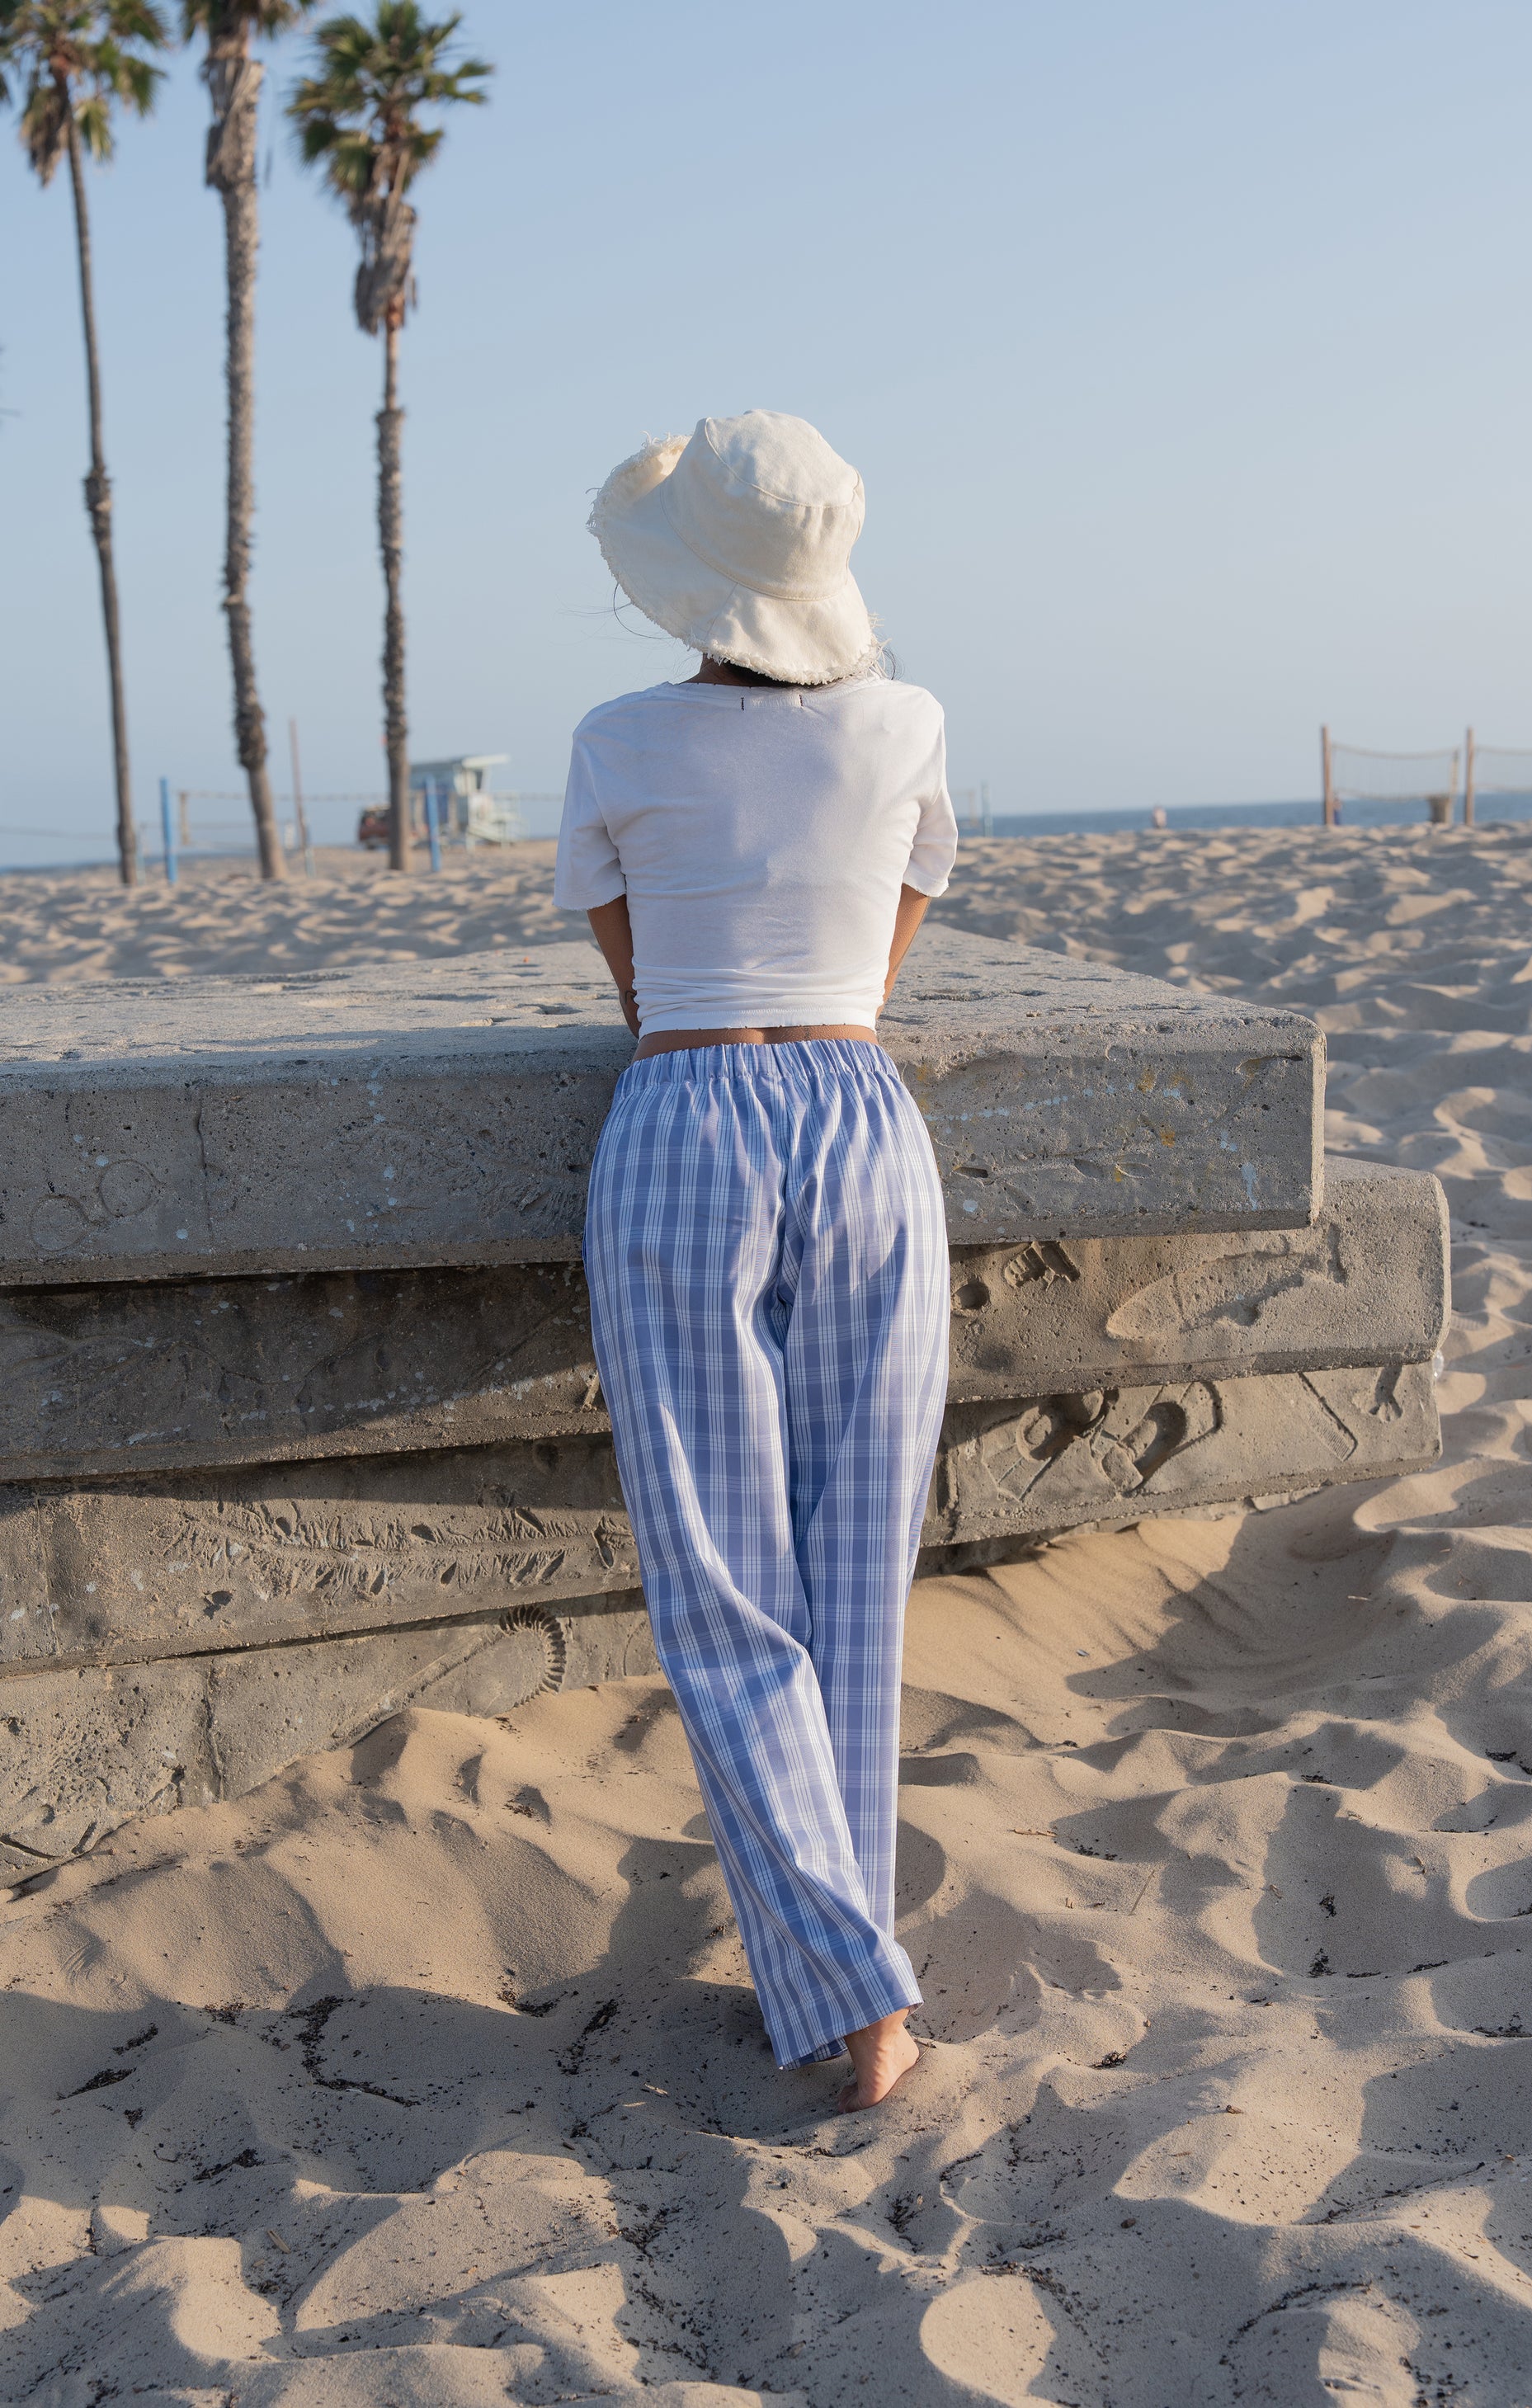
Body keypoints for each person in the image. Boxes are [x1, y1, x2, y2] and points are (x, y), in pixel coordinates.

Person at [554, 410, 958, 2110]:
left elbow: (635, 970)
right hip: (866, 1120)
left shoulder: (616, 733)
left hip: (684, 1116)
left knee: (721, 1582)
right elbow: (896, 921)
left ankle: (854, 1985)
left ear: (692, 591)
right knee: (855, 1568)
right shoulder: (910, 718)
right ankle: (838, 1984)